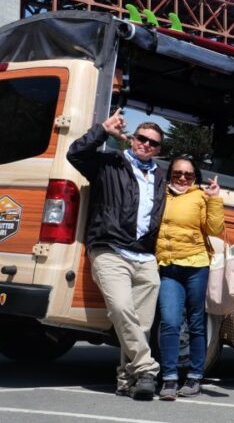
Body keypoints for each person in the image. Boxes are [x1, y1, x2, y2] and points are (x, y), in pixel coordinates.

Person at [67, 109, 166, 400]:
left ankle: (127, 381)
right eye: (141, 139)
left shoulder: (160, 175)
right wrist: (103, 130)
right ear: (132, 140)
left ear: (159, 149)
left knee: (141, 324)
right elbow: (75, 155)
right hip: (109, 248)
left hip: (144, 257)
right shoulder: (110, 162)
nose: (146, 145)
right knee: (122, 309)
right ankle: (147, 369)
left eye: (153, 143)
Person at [155, 155, 224, 400]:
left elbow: (215, 229)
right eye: (177, 173)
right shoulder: (160, 193)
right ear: (169, 174)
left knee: (196, 323)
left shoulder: (201, 196)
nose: (183, 178)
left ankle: (195, 376)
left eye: (188, 174)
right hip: (168, 265)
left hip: (196, 265)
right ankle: (170, 379)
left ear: (195, 177)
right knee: (170, 322)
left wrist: (215, 200)